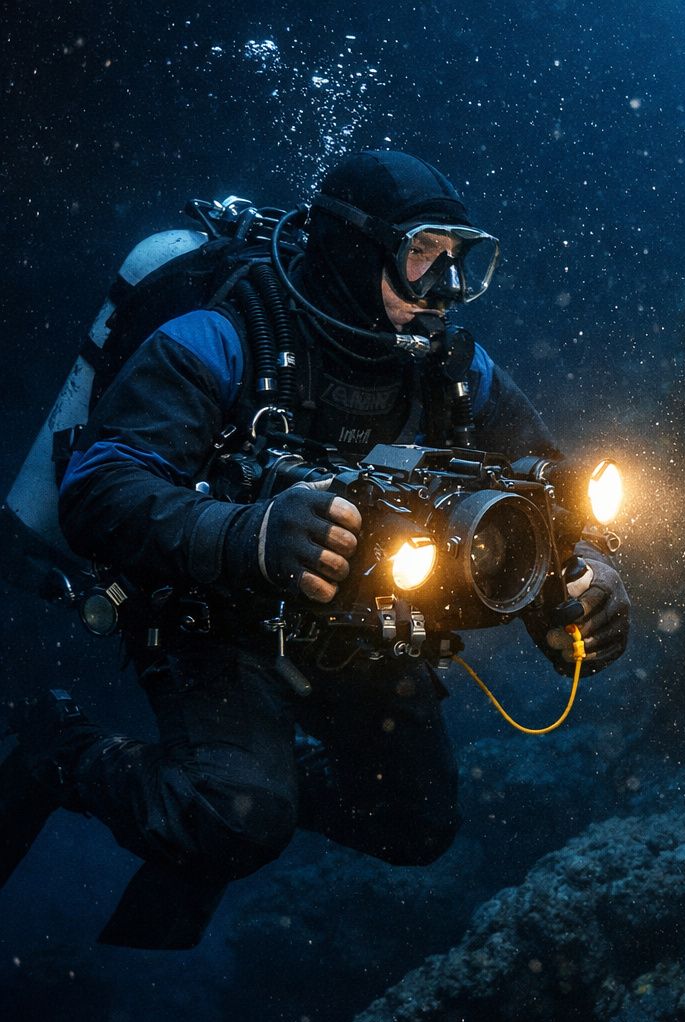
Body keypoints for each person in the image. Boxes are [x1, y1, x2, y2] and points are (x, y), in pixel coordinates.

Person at [0, 150, 630, 947]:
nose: (441, 290)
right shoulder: (225, 332)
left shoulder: (452, 366)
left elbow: (555, 486)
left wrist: (589, 574)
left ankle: (247, 792)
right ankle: (67, 752)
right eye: (419, 257)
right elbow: (99, 490)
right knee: (233, 818)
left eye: (457, 261)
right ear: (354, 248)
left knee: (417, 824)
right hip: (212, 616)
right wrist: (246, 534)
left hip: (355, 624)